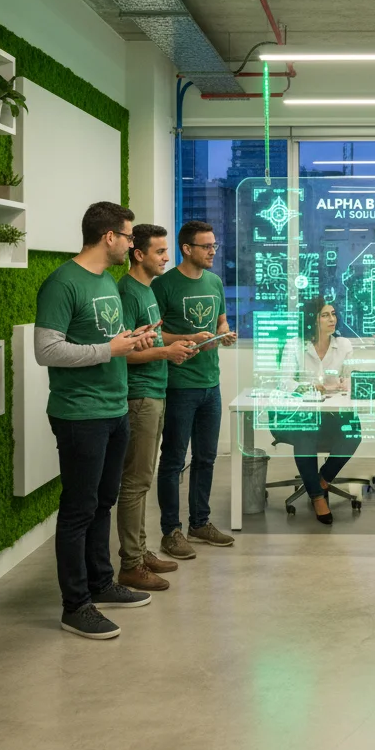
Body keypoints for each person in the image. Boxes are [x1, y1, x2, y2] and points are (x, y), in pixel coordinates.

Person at [34, 201, 157, 640]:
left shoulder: (106, 280)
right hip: (79, 414)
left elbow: (111, 339)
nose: (131, 243)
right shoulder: (62, 283)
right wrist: (110, 351)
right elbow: (46, 350)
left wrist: (133, 340)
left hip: (114, 408)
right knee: (78, 510)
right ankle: (75, 605)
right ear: (109, 237)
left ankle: (101, 583)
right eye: (127, 236)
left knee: (103, 501)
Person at [115, 224, 199, 591]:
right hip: (140, 396)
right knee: (135, 482)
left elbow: (151, 336)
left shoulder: (147, 290)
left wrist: (183, 340)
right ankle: (131, 563)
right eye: (160, 252)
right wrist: (166, 352)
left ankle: (142, 550)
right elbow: (125, 354)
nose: (167, 258)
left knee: (143, 479)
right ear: (139, 254)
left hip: (156, 391)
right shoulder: (127, 292)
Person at [153, 220, 237, 557]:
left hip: (210, 383)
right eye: (207, 246)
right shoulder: (164, 285)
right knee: (174, 460)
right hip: (179, 385)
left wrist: (225, 334)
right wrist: (188, 339)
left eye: (214, 245)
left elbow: (219, 321)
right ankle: (171, 531)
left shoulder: (215, 281)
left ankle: (199, 522)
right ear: (187, 249)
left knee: (206, 457)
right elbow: (152, 335)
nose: (213, 251)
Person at [276, 297, 362, 525]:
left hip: (332, 414)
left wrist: (348, 383)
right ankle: (317, 497)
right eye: (325, 315)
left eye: (333, 314)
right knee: (306, 434)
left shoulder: (343, 345)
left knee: (354, 433)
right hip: (299, 415)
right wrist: (311, 387)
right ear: (312, 320)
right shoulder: (295, 345)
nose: (332, 319)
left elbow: (353, 378)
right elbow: (284, 383)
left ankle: (321, 480)